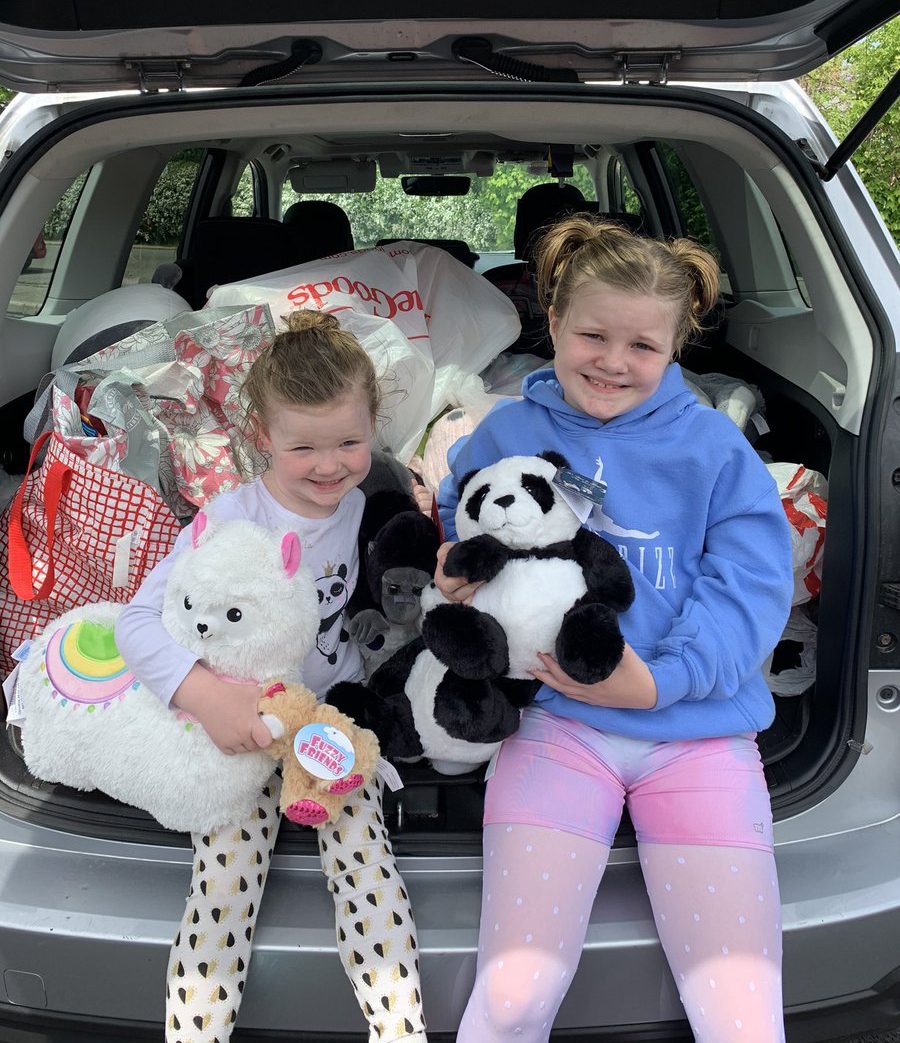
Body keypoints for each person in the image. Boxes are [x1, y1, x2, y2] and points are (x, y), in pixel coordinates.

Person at [436, 217, 793, 1043]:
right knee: (515, 996)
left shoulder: (712, 447)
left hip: (697, 737)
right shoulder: (507, 430)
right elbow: (460, 510)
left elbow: (750, 582)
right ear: (553, 322)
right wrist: (456, 559)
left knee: (741, 1018)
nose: (612, 361)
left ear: (677, 347)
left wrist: (663, 681)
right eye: (592, 334)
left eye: (643, 346)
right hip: (558, 726)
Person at [116, 310, 428, 1043]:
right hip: (238, 730)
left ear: (373, 424)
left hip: (326, 725)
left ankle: (401, 1029)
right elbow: (135, 622)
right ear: (261, 438)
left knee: (369, 866)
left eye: (349, 442)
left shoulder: (370, 508)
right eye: (304, 447)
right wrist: (205, 697)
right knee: (223, 885)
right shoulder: (227, 520)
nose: (330, 465)